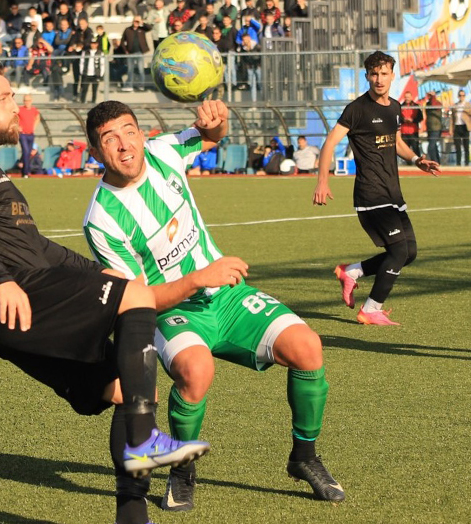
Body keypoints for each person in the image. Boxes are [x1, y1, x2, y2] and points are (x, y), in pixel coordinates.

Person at [0, 55, 210, 524]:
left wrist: (102, 273)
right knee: (139, 300)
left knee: (126, 389)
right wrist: (0, 280)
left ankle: (131, 515)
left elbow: (39, 248)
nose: (15, 105)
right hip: (17, 297)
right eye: (3, 97)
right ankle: (145, 442)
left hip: (22, 307)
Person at [83, 99, 343, 510]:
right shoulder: (101, 220)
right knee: (196, 369)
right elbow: (138, 299)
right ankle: (182, 469)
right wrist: (197, 279)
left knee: (307, 347)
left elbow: (210, 137)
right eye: (109, 139)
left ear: (142, 135)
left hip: (225, 294)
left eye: (129, 132)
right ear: (96, 152)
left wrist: (217, 122)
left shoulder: (164, 151)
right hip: (170, 312)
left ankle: (304, 457)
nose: (124, 144)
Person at [314, 51, 441, 325]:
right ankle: (371, 309)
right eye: (374, 74)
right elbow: (329, 143)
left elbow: (397, 142)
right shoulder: (357, 109)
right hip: (371, 195)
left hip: (393, 192)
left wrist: (416, 160)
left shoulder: (394, 107)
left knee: (409, 253)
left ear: (393, 75)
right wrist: (323, 181)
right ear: (367, 76)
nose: (379, 79)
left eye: (384, 74)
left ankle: (352, 272)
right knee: (398, 252)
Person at [449, 89, 471, 166]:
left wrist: (470, 125)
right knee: (457, 146)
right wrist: (451, 129)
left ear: (465, 96)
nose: (461, 97)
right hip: (457, 126)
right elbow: (452, 118)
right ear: (458, 96)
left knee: (466, 146)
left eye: (463, 95)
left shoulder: (468, 105)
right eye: (460, 95)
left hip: (465, 127)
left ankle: (467, 163)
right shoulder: (455, 105)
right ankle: (458, 163)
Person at [17, 94, 40, 178]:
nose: (27, 102)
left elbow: (38, 118)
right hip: (23, 134)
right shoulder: (20, 109)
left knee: (28, 153)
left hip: (31, 134)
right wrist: (17, 127)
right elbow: (12, 117)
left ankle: (24, 171)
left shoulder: (34, 110)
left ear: (31, 101)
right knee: (26, 151)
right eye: (25, 100)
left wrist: (34, 127)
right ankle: (26, 172)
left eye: (28, 100)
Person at [79, 38, 105, 104]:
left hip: (95, 74)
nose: (93, 45)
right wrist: (82, 71)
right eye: (92, 44)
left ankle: (93, 102)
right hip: (86, 74)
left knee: (94, 90)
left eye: (95, 44)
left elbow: (102, 64)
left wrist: (101, 74)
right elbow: (82, 62)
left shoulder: (100, 53)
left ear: (97, 44)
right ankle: (82, 102)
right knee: (84, 89)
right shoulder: (85, 52)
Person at [399, 90, 424, 158]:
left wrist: (413, 120)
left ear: (411, 97)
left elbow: (420, 117)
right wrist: (403, 120)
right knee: (405, 150)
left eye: (408, 97)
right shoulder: (401, 106)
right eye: (406, 97)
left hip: (413, 131)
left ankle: (418, 161)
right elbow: (398, 118)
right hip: (404, 132)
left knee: (415, 149)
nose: (407, 99)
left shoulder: (416, 106)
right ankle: (408, 163)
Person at [422, 91, 443, 164]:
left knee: (430, 147)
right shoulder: (428, 104)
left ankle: (435, 162)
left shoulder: (438, 103)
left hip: (436, 128)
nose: (429, 97)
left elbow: (434, 104)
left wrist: (433, 96)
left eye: (431, 95)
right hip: (430, 128)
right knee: (434, 147)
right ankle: (437, 162)